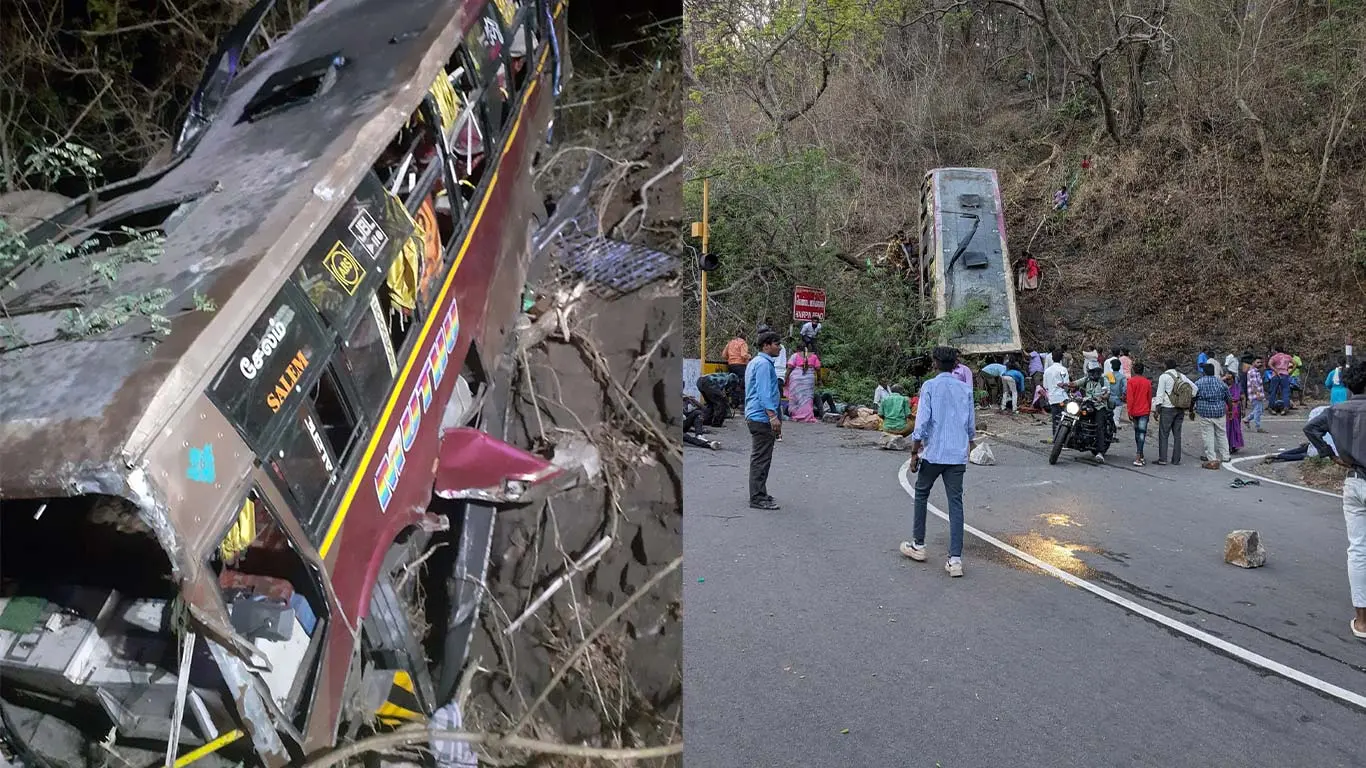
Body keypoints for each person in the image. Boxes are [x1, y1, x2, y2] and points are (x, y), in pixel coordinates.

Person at [1301, 364, 1366, 641]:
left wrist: (1331, 454)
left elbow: (1310, 429)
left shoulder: (1334, 411)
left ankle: (1362, 621)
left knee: (1358, 550)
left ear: (1348, 386)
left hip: (1353, 480)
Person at [900, 346, 977, 578]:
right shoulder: (965, 389)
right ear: (956, 364)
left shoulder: (930, 387)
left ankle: (919, 545)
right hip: (956, 454)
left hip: (934, 452)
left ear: (935, 363)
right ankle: (955, 560)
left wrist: (915, 451)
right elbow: (970, 425)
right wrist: (969, 444)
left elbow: (922, 422)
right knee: (956, 503)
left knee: (921, 493)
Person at [745, 332, 783, 510]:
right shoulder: (762, 365)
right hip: (761, 417)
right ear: (766, 345)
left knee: (762, 457)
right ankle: (757, 497)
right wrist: (773, 416)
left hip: (757, 415)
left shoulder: (757, 362)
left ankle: (760, 492)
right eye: (777, 343)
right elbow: (763, 393)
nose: (780, 347)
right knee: (761, 458)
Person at [1153, 360, 1196, 466]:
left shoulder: (1164, 377)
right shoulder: (1181, 376)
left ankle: (1163, 459)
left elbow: (1160, 394)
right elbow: (1194, 389)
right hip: (1180, 408)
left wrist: (1157, 410)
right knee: (1177, 435)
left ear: (1165, 365)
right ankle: (1176, 459)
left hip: (1167, 408)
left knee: (1164, 434)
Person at [1065, 365, 1113, 460]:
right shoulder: (1086, 379)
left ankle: (1100, 452)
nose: (1093, 374)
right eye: (1091, 372)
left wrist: (1102, 397)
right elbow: (1075, 383)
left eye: (1095, 372)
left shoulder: (1104, 380)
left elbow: (1107, 393)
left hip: (1099, 406)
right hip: (1088, 403)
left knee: (1099, 426)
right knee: (1076, 415)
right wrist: (1065, 384)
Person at [1193, 362, 1232, 469]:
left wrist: (1191, 409)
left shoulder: (1198, 383)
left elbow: (1193, 397)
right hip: (1219, 412)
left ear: (1204, 372)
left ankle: (1211, 457)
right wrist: (1230, 411)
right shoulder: (1220, 383)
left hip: (1204, 412)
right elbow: (1228, 398)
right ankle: (1226, 455)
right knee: (1221, 433)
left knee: (1208, 436)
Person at [1126, 362, 1154, 466]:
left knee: (1137, 433)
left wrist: (1129, 411)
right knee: (1142, 433)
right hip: (1144, 411)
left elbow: (1130, 398)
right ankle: (1140, 455)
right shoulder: (1147, 382)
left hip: (1134, 411)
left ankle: (1139, 455)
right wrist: (1149, 410)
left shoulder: (1131, 382)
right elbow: (1149, 398)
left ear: (1134, 370)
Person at [784, 354, 820, 423]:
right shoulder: (814, 356)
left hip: (796, 379)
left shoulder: (795, 356)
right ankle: (807, 416)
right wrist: (819, 380)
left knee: (796, 398)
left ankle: (796, 415)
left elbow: (789, 367)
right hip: (809, 379)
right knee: (807, 399)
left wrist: (785, 379)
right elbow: (818, 368)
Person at [1043, 347, 1071, 433]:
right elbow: (1066, 384)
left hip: (1052, 398)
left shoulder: (1047, 371)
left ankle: (1055, 435)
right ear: (1062, 359)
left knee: (1055, 418)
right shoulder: (1063, 369)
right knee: (1065, 417)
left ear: (1052, 358)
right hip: (1062, 397)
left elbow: (1045, 385)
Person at [723, 331, 751, 407]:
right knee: (742, 383)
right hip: (740, 365)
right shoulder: (743, 343)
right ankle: (742, 403)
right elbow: (743, 355)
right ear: (745, 338)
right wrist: (749, 356)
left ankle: (734, 402)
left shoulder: (730, 343)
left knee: (733, 383)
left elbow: (724, 355)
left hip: (731, 365)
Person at [1244, 356, 1268, 432]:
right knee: (1258, 410)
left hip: (1257, 394)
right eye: (1257, 362)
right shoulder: (1253, 372)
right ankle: (1258, 427)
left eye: (1260, 362)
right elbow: (1254, 384)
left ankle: (1247, 419)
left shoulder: (1256, 371)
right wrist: (1257, 394)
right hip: (1255, 394)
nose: (1259, 364)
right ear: (1253, 363)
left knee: (1259, 410)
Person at [1269, 347, 1293, 414]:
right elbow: (1295, 363)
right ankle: (1285, 408)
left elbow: (1269, 364)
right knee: (1285, 392)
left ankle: (1271, 408)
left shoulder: (1274, 357)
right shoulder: (1287, 357)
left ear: (1276, 351)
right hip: (1285, 375)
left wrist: (1275, 370)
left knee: (1273, 391)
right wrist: (1291, 372)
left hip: (1275, 375)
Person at [1225, 372, 1245, 455]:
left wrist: (1243, 409)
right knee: (1227, 428)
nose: (1228, 380)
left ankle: (1234, 445)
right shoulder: (1223, 387)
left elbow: (1243, 398)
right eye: (1227, 379)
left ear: (1233, 379)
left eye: (1230, 379)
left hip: (1236, 409)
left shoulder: (1237, 387)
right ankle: (1227, 445)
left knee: (1235, 427)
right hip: (1226, 410)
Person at [1104, 358, 1127, 427]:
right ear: (1120, 367)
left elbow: (1104, 387)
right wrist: (1123, 395)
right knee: (1116, 420)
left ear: (1111, 367)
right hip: (1118, 400)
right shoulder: (1122, 377)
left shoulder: (1107, 376)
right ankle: (1113, 434)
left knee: (1107, 418)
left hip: (1108, 400)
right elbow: (1125, 387)